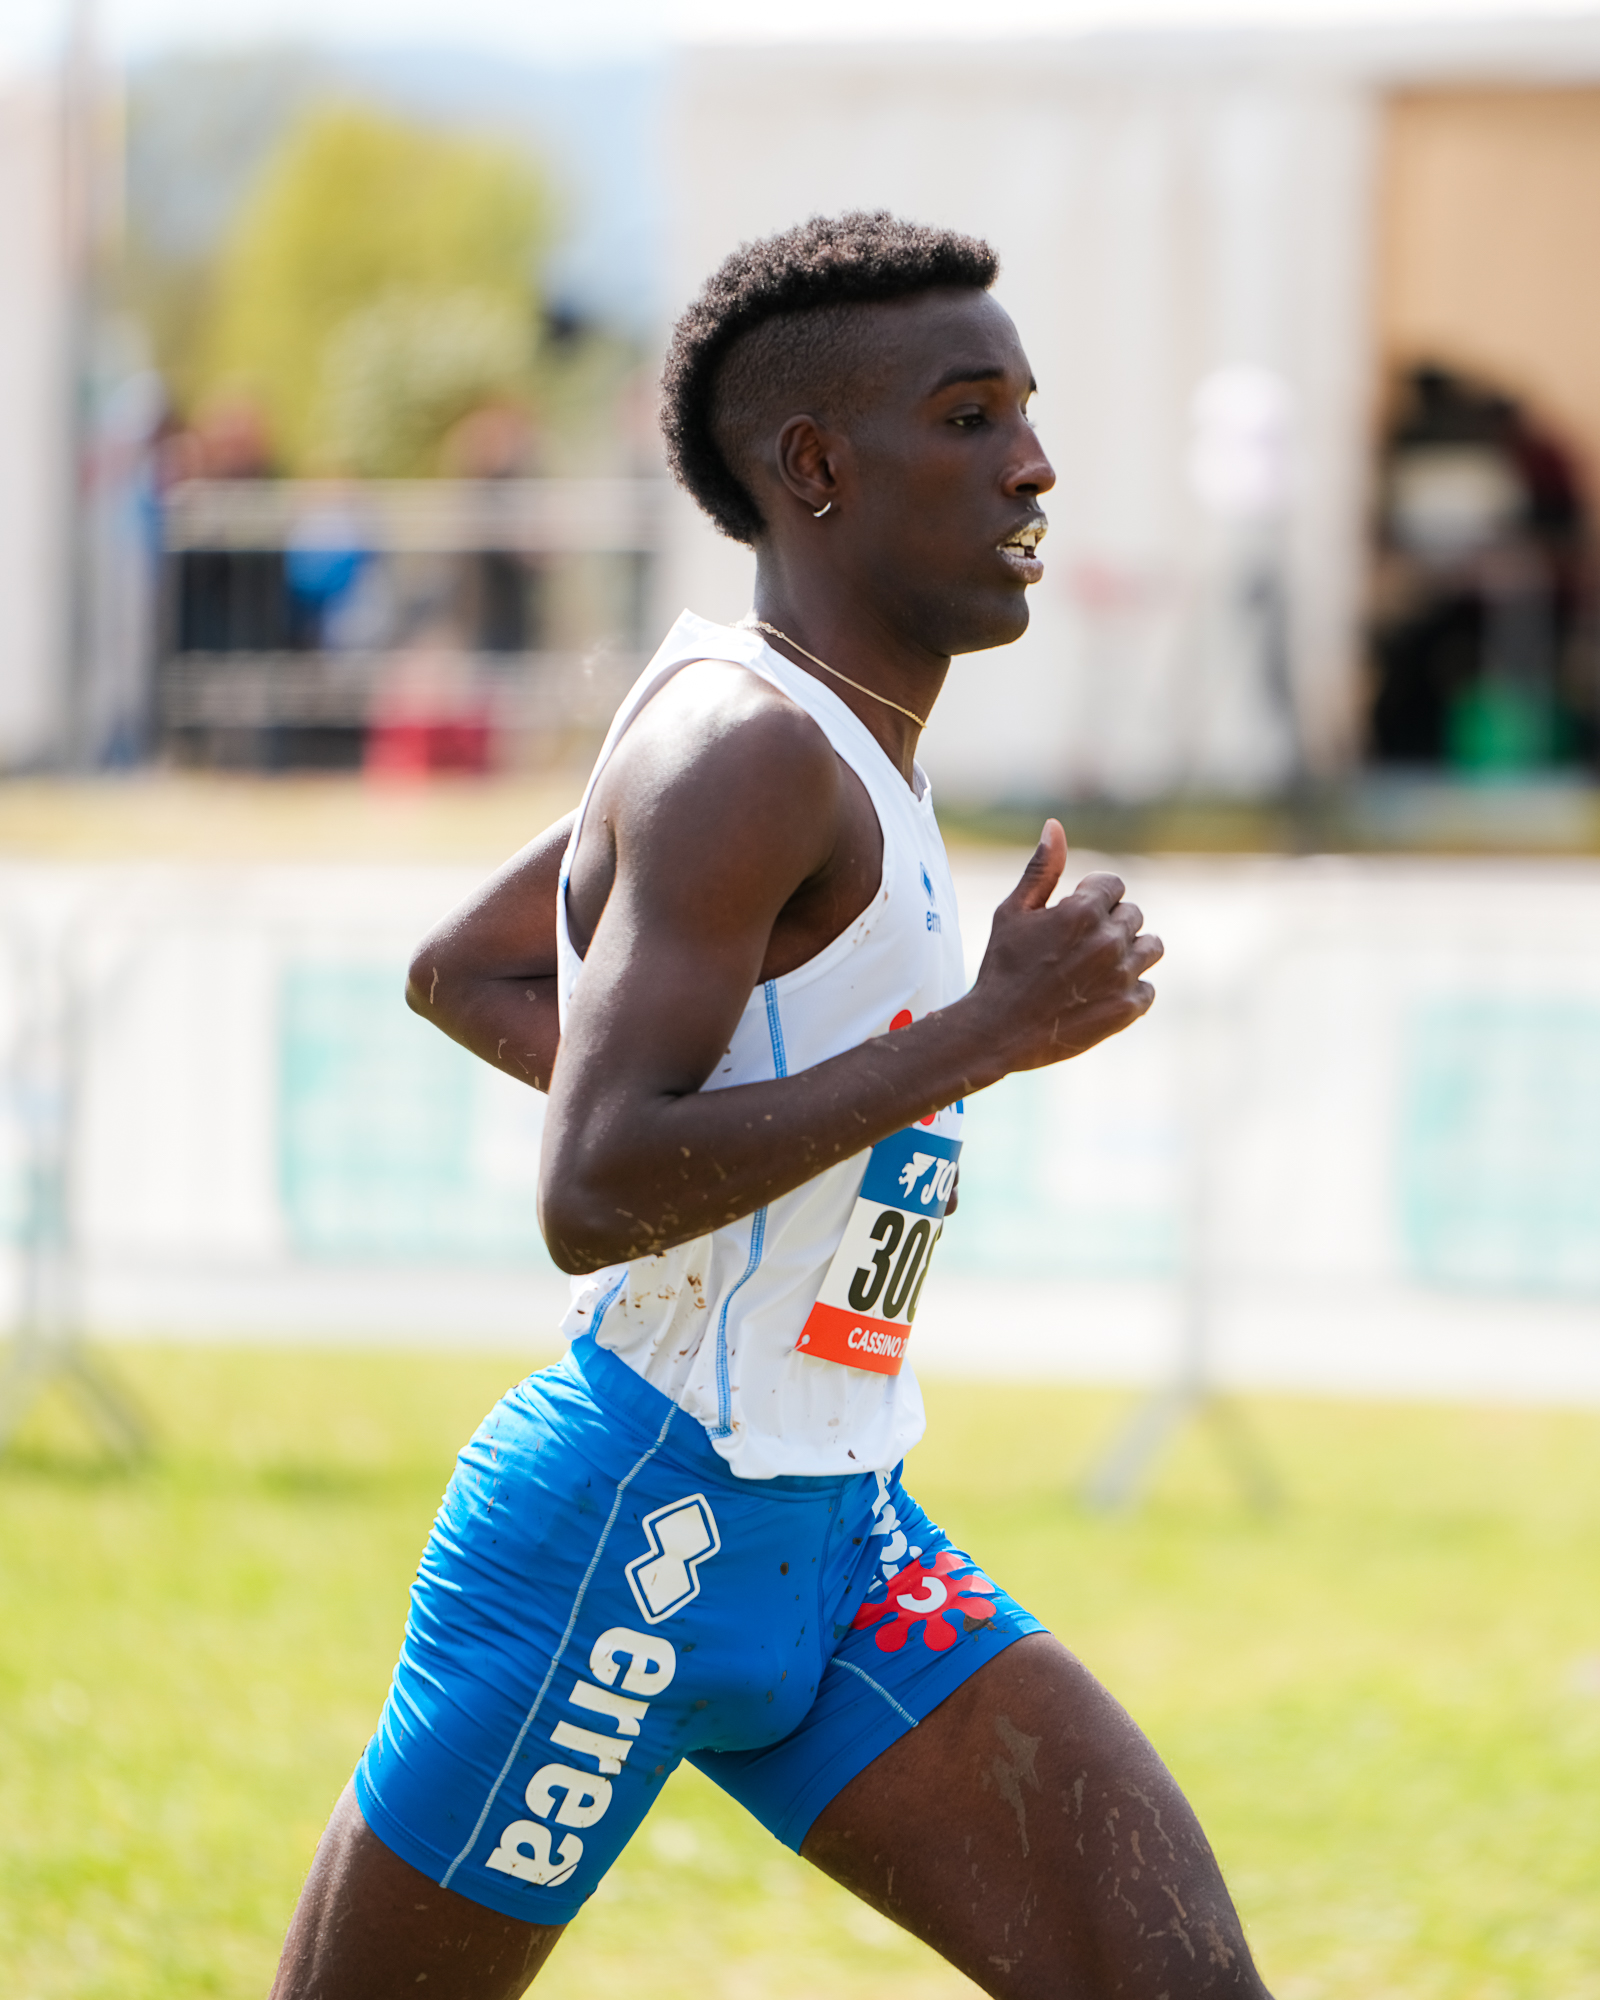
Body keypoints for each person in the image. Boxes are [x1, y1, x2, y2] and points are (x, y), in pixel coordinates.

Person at [269, 212, 1272, 2000]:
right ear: (815, 468)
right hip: (632, 1536)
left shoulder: (830, 733)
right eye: (969, 418)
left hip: (842, 1532)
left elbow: (467, 967)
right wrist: (983, 1034)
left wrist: (811, 1102)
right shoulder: (741, 751)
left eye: (1026, 410)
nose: (1034, 463)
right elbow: (594, 1185)